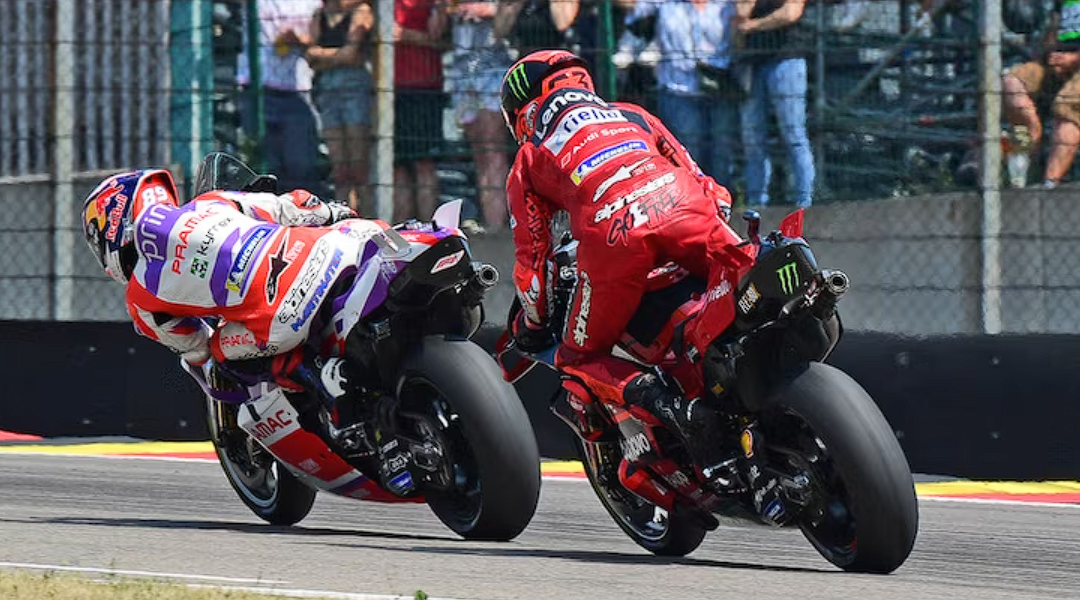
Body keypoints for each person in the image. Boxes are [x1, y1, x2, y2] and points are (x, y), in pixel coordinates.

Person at [500, 50, 750, 494]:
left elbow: (533, 266)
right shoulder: (632, 114)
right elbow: (712, 191)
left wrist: (534, 325)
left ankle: (674, 409)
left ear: (523, 111)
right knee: (748, 275)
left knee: (576, 357)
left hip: (614, 237)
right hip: (683, 204)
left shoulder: (530, 156)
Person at [80, 168, 368, 405]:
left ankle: (323, 380)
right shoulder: (209, 202)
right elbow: (293, 205)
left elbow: (196, 350)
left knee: (219, 352)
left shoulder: (139, 296)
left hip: (285, 316)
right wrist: (333, 212)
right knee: (371, 231)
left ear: (110, 228)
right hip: (331, 251)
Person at [616, 0, 742, 189]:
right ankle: (693, 200)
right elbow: (631, 5)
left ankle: (723, 201)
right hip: (677, 89)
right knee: (687, 152)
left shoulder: (727, 4)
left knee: (722, 152)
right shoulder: (664, 3)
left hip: (720, 89)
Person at [431, 0, 513, 232]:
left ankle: (498, 226)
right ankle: (490, 221)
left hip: (493, 69)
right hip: (461, 74)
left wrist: (488, 10)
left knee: (493, 150)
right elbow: (435, 32)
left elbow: (512, 14)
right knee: (480, 153)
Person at [237, 0, 328, 198]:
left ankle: (301, 212)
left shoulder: (313, 4)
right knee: (263, 164)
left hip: (297, 89)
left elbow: (320, 36)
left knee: (300, 166)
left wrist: (301, 40)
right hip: (257, 87)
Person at [736, 0, 815, 207]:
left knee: (792, 132)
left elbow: (790, 13)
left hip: (787, 59)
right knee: (752, 136)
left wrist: (754, 25)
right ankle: (756, 202)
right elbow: (740, 16)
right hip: (753, 61)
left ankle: (804, 201)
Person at [303, 0, 376, 212]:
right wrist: (339, 55)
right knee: (340, 169)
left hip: (354, 89)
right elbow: (310, 55)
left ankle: (368, 218)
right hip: (326, 89)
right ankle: (344, 216)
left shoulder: (361, 11)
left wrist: (322, 56)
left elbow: (350, 53)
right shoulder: (320, 15)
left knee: (359, 167)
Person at [1003, 0, 1080, 188]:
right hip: (1061, 64)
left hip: (1075, 62)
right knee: (1013, 83)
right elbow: (1053, 32)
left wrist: (1073, 59)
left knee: (1067, 105)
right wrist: (1051, 55)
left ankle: (1049, 184)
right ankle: (1029, 153)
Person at [393, 0, 445, 223]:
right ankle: (399, 228)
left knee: (423, 162)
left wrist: (404, 35)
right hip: (389, 89)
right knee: (397, 165)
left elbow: (440, 38)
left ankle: (428, 229)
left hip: (424, 86)